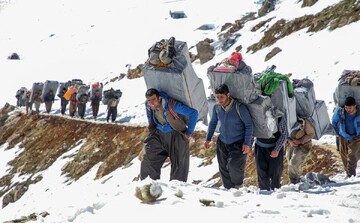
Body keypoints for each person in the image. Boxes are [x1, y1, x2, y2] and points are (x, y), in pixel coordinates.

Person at [140, 88, 198, 182]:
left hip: (176, 134)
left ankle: (176, 191)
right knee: (149, 157)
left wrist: (189, 131)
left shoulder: (171, 105)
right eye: (149, 100)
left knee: (179, 165)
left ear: (159, 98)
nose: (151, 103)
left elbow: (194, 113)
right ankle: (148, 186)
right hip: (159, 134)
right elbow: (149, 117)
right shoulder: (148, 105)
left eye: (153, 99)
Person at [204, 84, 254, 189]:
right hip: (222, 142)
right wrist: (208, 138)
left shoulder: (239, 107)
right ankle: (228, 190)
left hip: (238, 143)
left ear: (228, 95)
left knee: (234, 166)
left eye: (222, 97)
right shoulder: (217, 108)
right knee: (223, 167)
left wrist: (247, 143)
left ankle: (238, 187)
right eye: (217, 97)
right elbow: (213, 123)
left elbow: (249, 126)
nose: (219, 100)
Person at [253, 113, 287, 191]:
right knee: (261, 173)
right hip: (260, 147)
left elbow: (284, 134)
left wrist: (277, 149)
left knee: (275, 173)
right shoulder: (257, 115)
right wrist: (249, 145)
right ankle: (264, 193)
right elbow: (252, 131)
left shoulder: (280, 117)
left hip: (275, 147)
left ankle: (276, 194)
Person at [332, 96, 360, 177]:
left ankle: (351, 177)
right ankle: (348, 174)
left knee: (352, 157)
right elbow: (334, 122)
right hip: (343, 136)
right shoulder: (340, 111)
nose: (348, 110)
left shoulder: (359, 113)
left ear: (355, 106)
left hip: (357, 137)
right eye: (346, 108)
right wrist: (338, 133)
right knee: (344, 155)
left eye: (350, 108)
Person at [286, 117, 315, 184]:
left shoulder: (304, 121)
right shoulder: (286, 118)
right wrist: (290, 141)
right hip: (291, 144)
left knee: (294, 163)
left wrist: (300, 141)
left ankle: (294, 182)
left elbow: (311, 134)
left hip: (303, 145)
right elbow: (284, 131)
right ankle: (296, 180)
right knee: (290, 163)